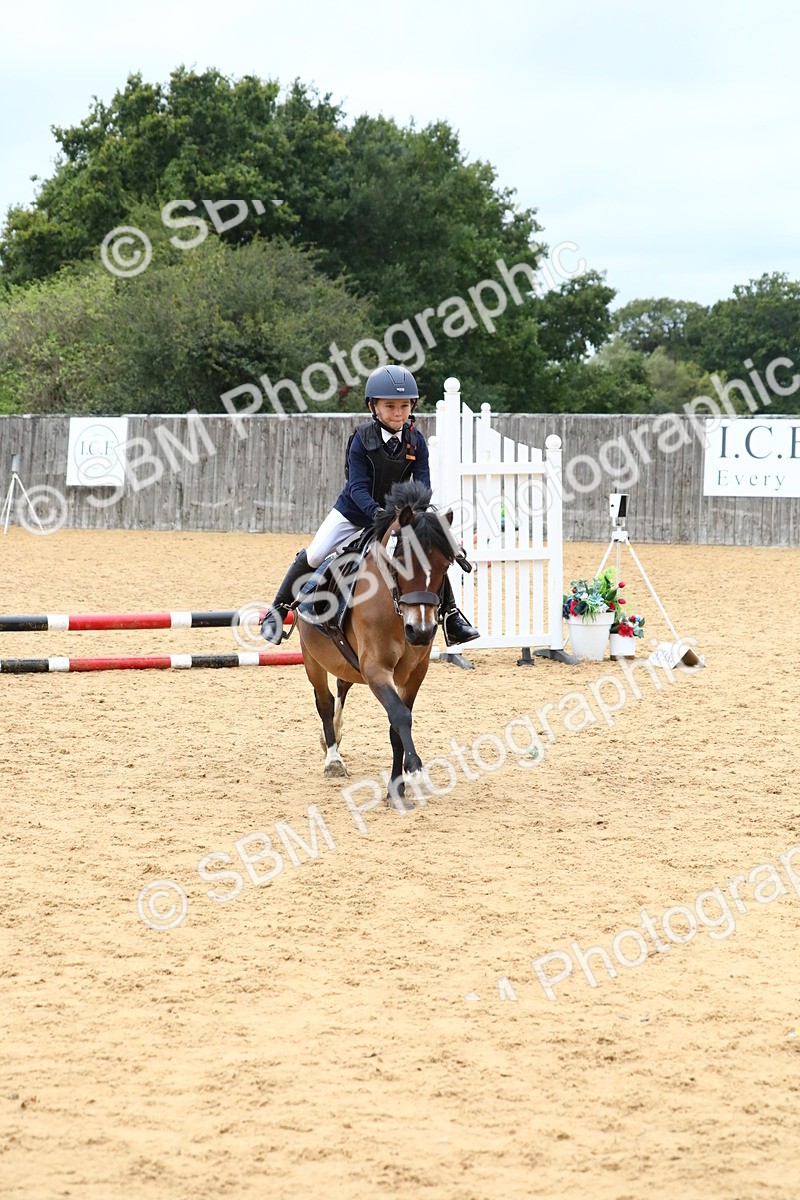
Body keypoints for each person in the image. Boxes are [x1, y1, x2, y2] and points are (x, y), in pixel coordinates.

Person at [260, 364, 480, 645]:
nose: (398, 413)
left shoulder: (417, 441)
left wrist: (420, 521)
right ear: (373, 407)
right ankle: (277, 611)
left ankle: (451, 615)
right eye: (390, 406)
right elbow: (357, 487)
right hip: (354, 513)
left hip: (400, 518)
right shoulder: (362, 439)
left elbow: (422, 488)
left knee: (428, 555)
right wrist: (378, 514)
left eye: (404, 406)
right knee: (316, 554)